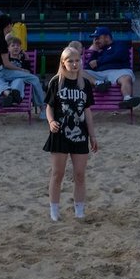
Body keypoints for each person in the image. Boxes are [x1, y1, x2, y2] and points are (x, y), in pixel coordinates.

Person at [44, 46, 98, 222]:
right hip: (60, 133)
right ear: (63, 62)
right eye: (70, 61)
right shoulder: (56, 82)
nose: (75, 64)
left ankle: (79, 210)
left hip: (80, 134)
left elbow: (87, 111)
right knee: (57, 173)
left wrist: (92, 135)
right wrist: (51, 121)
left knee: (80, 174)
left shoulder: (84, 84)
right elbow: (49, 107)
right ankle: (54, 210)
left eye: (77, 60)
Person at [83, 26, 140, 109]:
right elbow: (89, 67)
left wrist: (99, 61)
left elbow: (119, 56)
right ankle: (98, 83)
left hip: (118, 71)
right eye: (95, 39)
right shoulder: (98, 51)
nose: (96, 41)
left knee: (126, 78)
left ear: (107, 37)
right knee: (79, 72)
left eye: (98, 38)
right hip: (100, 75)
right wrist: (94, 51)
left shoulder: (119, 44)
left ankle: (127, 99)